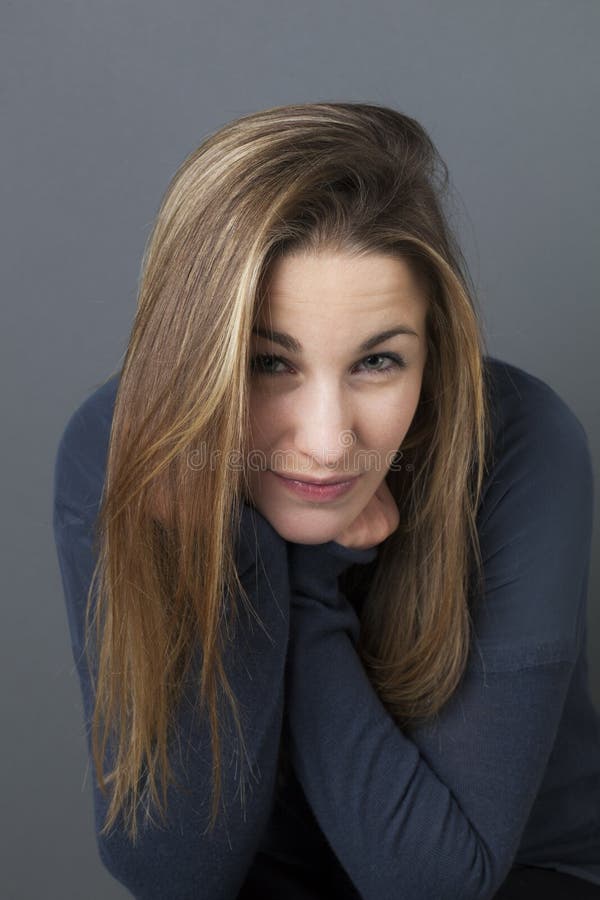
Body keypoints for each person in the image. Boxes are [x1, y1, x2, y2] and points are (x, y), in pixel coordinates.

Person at [52, 102, 600, 899]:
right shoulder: (119, 454)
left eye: (378, 361)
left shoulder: (522, 441)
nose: (326, 442)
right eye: (269, 364)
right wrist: (251, 550)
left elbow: (437, 883)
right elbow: (175, 873)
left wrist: (308, 588)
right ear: (193, 358)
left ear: (434, 349)